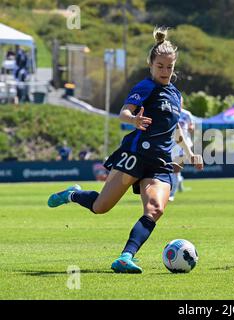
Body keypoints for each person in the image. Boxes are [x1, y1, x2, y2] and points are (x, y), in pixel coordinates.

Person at [47, 27, 204, 273]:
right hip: (135, 156)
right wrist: (134, 121)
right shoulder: (145, 87)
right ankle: (72, 194)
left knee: (156, 209)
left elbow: (176, 130)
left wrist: (189, 151)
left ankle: (125, 257)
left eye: (169, 67)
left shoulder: (176, 95)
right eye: (160, 66)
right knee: (101, 207)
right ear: (151, 65)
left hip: (160, 161)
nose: (165, 71)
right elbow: (124, 112)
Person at [169, 107, 196, 201]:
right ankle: (179, 181)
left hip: (182, 146)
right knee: (168, 170)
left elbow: (192, 127)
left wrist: (191, 128)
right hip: (169, 144)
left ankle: (171, 194)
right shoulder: (168, 111)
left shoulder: (186, 114)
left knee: (176, 170)